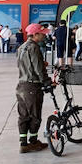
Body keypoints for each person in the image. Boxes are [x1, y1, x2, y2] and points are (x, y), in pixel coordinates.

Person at [16, 23, 51, 152]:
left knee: (23, 115)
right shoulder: (34, 48)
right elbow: (38, 69)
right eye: (42, 34)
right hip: (32, 86)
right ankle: (34, 142)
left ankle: (23, 144)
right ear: (35, 34)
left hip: (21, 86)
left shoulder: (21, 47)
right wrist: (47, 82)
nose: (44, 35)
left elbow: (23, 65)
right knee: (35, 116)